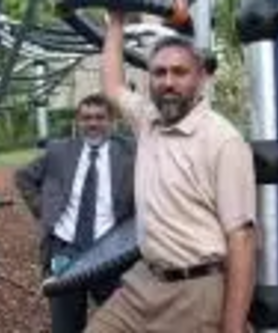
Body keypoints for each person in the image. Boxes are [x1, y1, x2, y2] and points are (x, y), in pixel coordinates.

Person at [84, 11, 258, 333]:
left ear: (201, 78)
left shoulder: (223, 141)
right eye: (159, 73)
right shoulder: (148, 120)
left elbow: (242, 240)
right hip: (143, 281)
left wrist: (232, 328)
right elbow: (111, 85)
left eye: (180, 73)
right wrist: (117, 21)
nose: (168, 82)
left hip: (196, 289)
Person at [15, 93, 135, 333]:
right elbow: (24, 176)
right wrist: (44, 210)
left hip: (111, 252)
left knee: (123, 324)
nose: (92, 123)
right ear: (78, 122)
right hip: (65, 251)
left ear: (112, 121)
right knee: (65, 325)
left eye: (100, 118)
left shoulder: (129, 154)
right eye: (86, 118)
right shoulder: (60, 152)